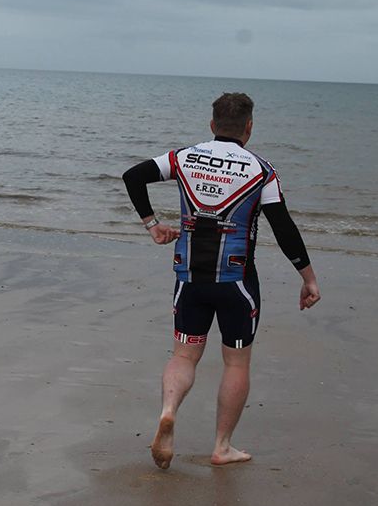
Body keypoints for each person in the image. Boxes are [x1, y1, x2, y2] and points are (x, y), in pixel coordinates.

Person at [122, 92, 320, 469]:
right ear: (249, 127)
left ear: (212, 125)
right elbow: (284, 228)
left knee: (184, 354)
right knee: (236, 363)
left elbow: (133, 177)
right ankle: (222, 446)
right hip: (237, 283)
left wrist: (152, 224)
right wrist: (307, 277)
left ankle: (168, 410)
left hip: (189, 278)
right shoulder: (261, 171)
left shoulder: (183, 157)